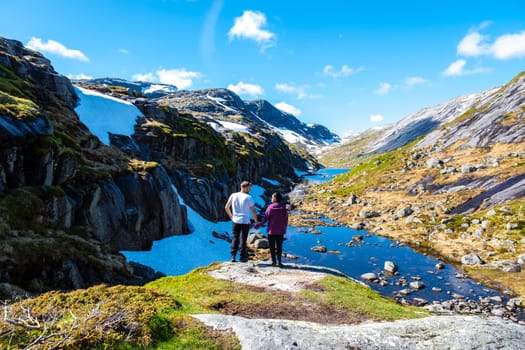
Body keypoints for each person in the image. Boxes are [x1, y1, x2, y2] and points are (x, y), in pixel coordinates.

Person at [225, 181, 258, 262]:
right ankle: (242, 257)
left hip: (235, 220)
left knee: (235, 237)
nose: (250, 189)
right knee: (243, 239)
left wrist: (231, 216)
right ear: (245, 187)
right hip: (245, 221)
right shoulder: (248, 197)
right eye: (249, 188)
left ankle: (233, 256)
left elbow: (226, 207)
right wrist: (256, 221)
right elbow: (253, 210)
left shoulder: (233, 195)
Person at [256, 192, 288, 267]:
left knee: (272, 247)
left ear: (275, 198)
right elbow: (285, 220)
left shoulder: (270, 207)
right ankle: (279, 262)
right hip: (280, 231)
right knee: (279, 247)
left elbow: (265, 219)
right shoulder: (283, 208)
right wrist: (284, 229)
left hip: (271, 231)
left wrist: (258, 225)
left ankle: (274, 262)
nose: (271, 198)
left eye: (272, 197)